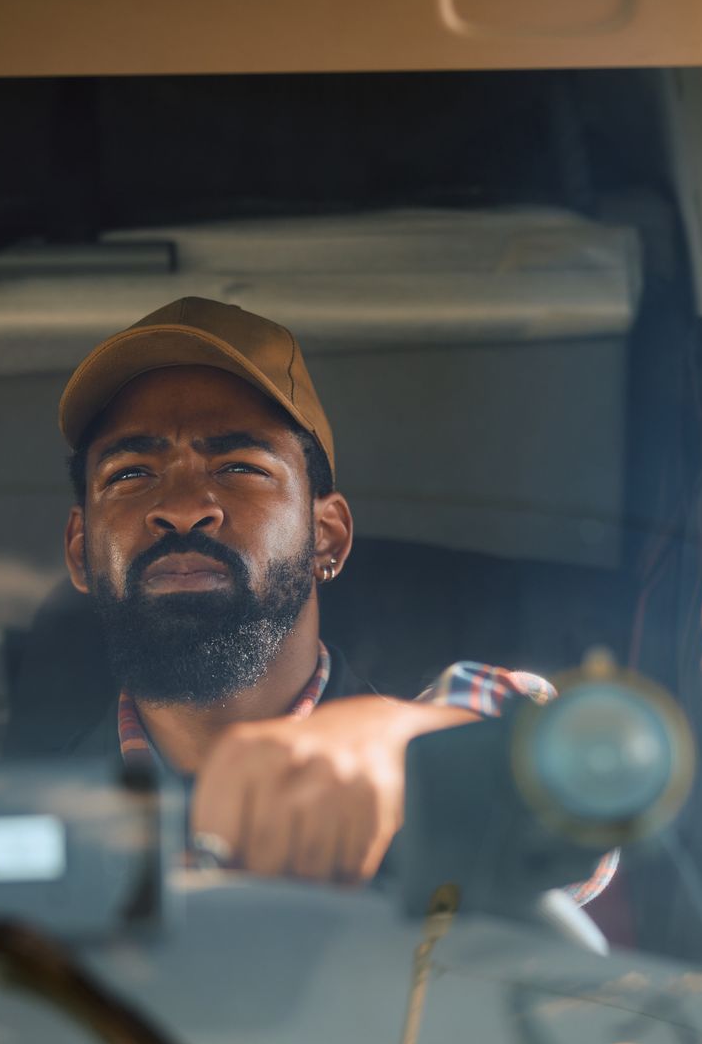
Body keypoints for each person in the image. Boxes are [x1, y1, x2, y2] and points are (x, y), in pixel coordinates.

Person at [52, 296, 609, 895]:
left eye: (239, 467)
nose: (184, 508)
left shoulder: (414, 773)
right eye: (131, 474)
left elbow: (586, 772)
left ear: (328, 538)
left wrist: (407, 744)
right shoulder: (18, 829)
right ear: (81, 549)